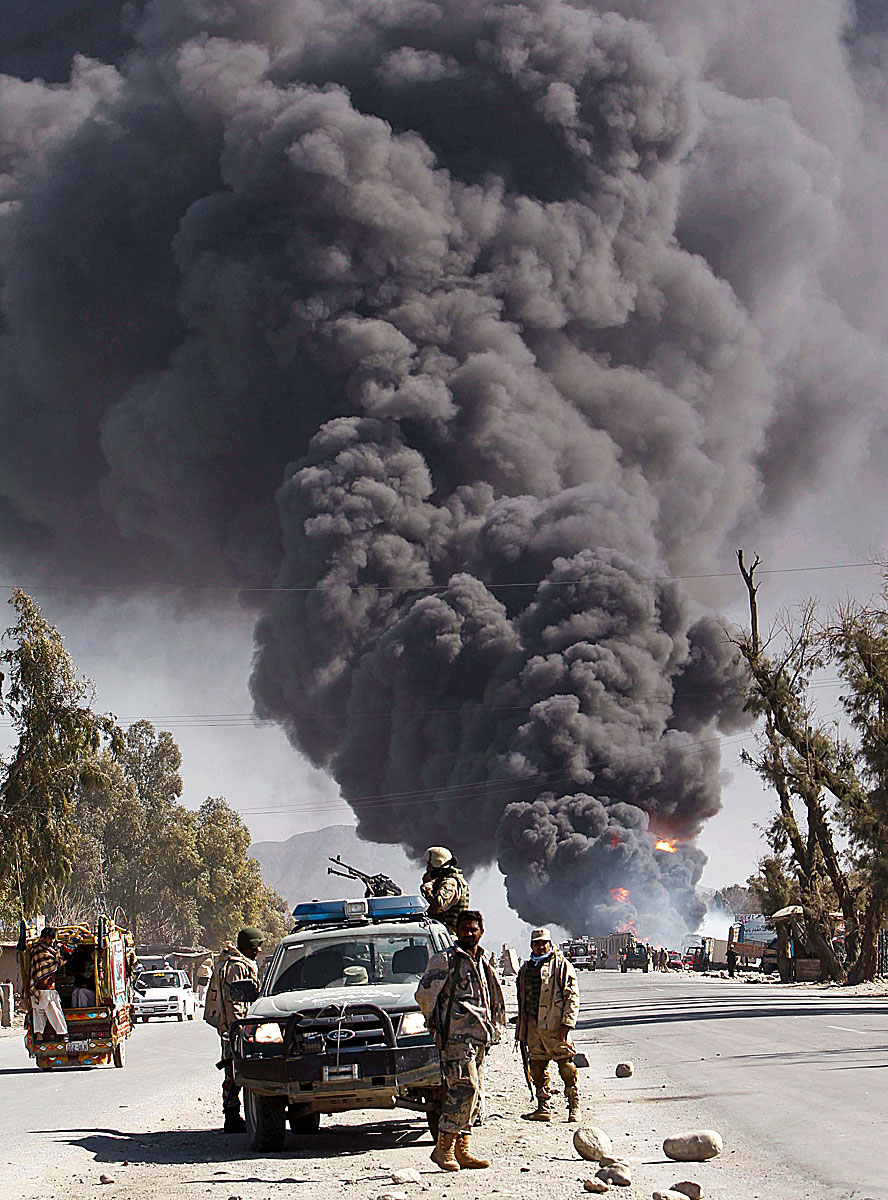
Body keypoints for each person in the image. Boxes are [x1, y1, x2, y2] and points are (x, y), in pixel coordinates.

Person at [415, 909, 505, 1172]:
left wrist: (495, 1028)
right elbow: (424, 996)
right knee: (464, 1089)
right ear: (456, 930)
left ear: (481, 931)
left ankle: (462, 1150)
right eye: (464, 928)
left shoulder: (483, 959)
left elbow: (492, 996)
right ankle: (443, 1149)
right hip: (456, 1039)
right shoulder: (445, 960)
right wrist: (437, 1028)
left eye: (473, 928)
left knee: (475, 1095)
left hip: (479, 1037)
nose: (469, 932)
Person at [515, 927, 580, 1124]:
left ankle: (573, 1106)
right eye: (537, 943)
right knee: (537, 1068)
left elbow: (572, 996)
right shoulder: (526, 969)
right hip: (533, 1028)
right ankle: (543, 1107)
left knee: (567, 1067)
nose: (541, 946)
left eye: (544, 942)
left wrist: (567, 1023)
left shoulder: (561, 966)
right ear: (531, 945)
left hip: (555, 1027)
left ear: (550, 944)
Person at [218, 927, 263, 1132]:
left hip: (240, 1026)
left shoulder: (242, 964)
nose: (259, 950)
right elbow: (234, 1001)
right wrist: (238, 1029)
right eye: (256, 946)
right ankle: (232, 1116)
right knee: (233, 1071)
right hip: (235, 1029)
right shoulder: (236, 967)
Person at [29, 927, 69, 1043]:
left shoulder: (37, 948)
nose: (52, 941)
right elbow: (52, 964)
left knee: (39, 1013)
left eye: (53, 939)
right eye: (50, 939)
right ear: (44, 938)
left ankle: (39, 1036)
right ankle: (63, 1034)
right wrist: (62, 959)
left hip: (36, 988)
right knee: (54, 1011)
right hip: (46, 988)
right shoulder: (41, 950)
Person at [420, 846, 470, 932]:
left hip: (449, 936)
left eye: (430, 866)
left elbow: (437, 907)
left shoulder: (450, 883)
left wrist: (427, 887)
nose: (428, 870)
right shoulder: (443, 882)